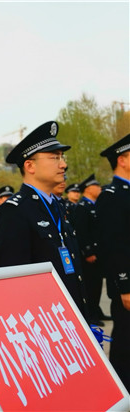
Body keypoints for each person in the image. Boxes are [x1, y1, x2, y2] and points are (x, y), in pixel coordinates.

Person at [0, 121, 88, 318]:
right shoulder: (14, 211)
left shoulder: (57, 205)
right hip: (46, 319)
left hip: (72, 312)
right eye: (55, 157)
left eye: (62, 157)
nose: (63, 164)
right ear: (30, 166)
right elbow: (16, 283)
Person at [95, 133, 130, 390]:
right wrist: (125, 287)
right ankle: (122, 388)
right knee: (126, 339)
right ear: (122, 160)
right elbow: (114, 245)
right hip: (127, 283)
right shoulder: (112, 195)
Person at [73, 174, 109, 326]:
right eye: (96, 186)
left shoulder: (93, 205)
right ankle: (91, 314)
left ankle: (96, 310)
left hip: (98, 252)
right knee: (90, 285)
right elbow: (82, 232)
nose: (99, 188)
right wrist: (88, 252)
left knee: (97, 284)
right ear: (88, 189)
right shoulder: (82, 207)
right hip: (89, 255)